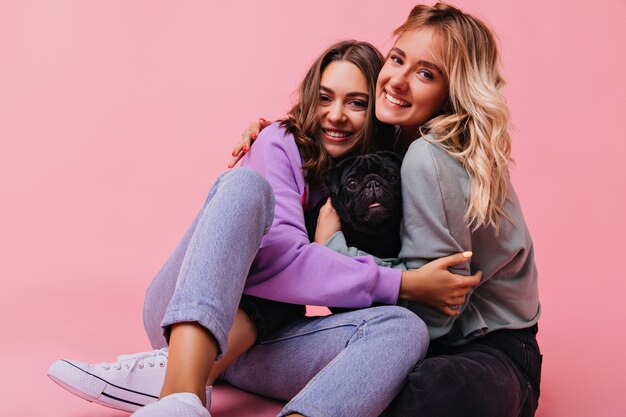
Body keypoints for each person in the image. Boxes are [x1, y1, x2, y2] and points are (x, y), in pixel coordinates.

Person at [48, 40, 478, 417]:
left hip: (264, 347)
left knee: (403, 329)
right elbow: (283, 263)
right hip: (186, 312)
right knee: (244, 186)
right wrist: (402, 283)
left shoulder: (383, 172)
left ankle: (170, 377)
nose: (336, 115)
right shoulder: (279, 143)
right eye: (325, 98)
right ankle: (179, 391)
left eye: (357, 102)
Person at [236, 3, 542, 417]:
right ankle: (224, 356)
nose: (397, 80)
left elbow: (431, 316)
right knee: (290, 238)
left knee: (426, 392)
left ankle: (218, 359)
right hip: (412, 335)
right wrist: (282, 137)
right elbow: (337, 144)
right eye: (397, 59)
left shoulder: (429, 157)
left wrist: (332, 247)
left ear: (453, 92)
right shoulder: (398, 138)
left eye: (425, 73)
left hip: (484, 349)